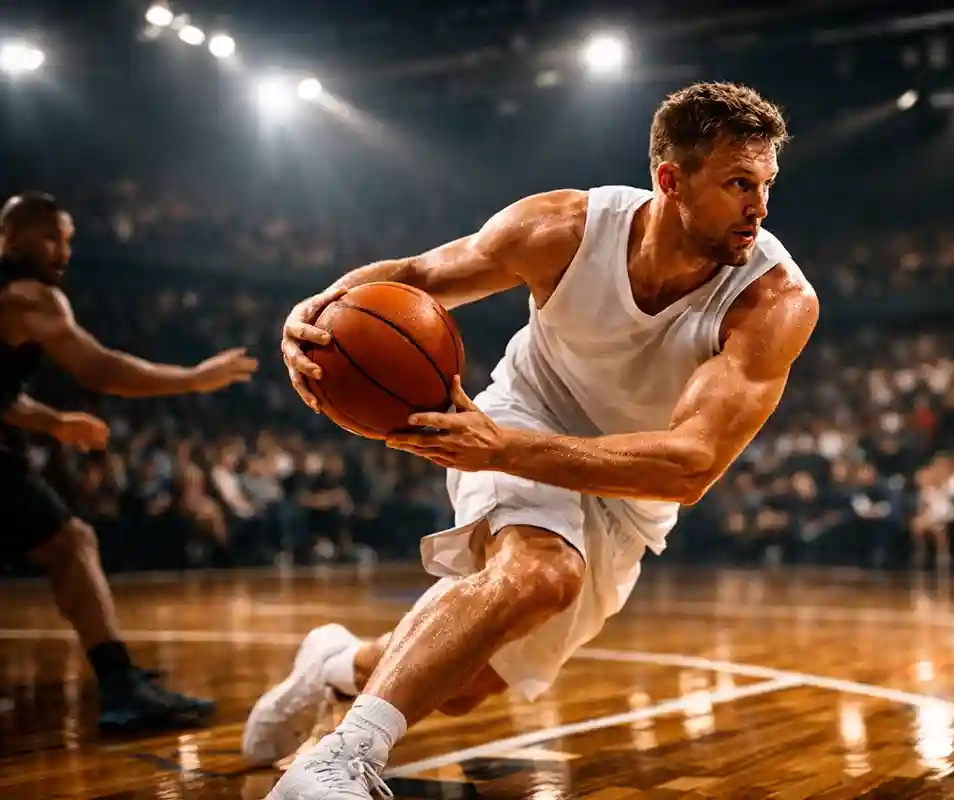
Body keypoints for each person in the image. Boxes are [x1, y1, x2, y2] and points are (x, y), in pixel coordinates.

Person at [255, 82, 819, 798]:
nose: (760, 208)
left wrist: (500, 451)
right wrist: (312, 314)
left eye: (766, 184)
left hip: (628, 484)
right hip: (528, 411)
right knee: (542, 574)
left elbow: (691, 465)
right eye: (740, 183)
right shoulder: (564, 228)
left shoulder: (774, 301)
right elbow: (420, 278)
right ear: (671, 179)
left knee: (461, 685)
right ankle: (338, 761)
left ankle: (334, 664)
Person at [0, 191, 259, 731]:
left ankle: (120, 681)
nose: (62, 251)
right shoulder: (31, 297)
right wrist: (192, 378)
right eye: (51, 237)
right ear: (13, 235)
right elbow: (102, 370)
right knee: (71, 544)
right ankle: (120, 690)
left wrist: (52, 422)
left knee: (69, 543)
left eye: (67, 239)